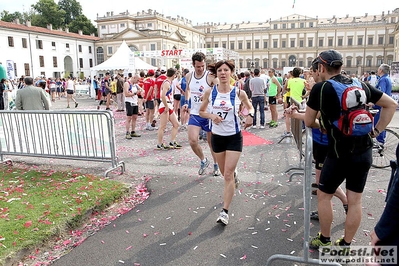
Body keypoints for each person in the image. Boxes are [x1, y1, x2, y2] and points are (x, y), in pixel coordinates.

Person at [304, 49, 397, 250]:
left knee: (324, 195)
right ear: (341, 66)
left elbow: (309, 121)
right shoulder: (359, 84)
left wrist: (326, 123)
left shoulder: (321, 88)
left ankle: (325, 240)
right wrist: (376, 131)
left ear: (321, 67)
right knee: (355, 201)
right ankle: (345, 247)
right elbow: (391, 104)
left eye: (315, 69)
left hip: (338, 154)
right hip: (364, 152)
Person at [199, 60, 254, 225]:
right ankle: (234, 175)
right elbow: (201, 111)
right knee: (225, 173)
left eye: (226, 70)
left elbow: (249, 108)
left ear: (231, 73)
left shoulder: (239, 93)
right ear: (217, 74)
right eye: (220, 70)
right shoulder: (210, 92)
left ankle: (225, 211)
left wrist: (250, 115)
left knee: (227, 175)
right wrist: (212, 116)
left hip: (234, 137)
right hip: (217, 137)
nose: (223, 73)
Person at [182, 52, 220, 176]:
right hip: (195, 113)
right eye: (198, 66)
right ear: (193, 65)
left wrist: (209, 93)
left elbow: (220, 88)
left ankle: (216, 164)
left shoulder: (210, 76)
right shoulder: (189, 76)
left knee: (211, 143)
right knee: (192, 141)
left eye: (203, 66)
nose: (201, 69)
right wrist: (187, 102)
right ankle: (203, 160)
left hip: (209, 114)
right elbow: (188, 89)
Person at [156, 68, 182, 150]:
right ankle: (159, 144)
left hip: (168, 105)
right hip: (165, 105)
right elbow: (163, 95)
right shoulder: (167, 83)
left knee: (176, 124)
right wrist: (166, 106)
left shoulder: (169, 82)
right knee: (163, 126)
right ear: (174, 75)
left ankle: (172, 141)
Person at [374, 63, 393, 144]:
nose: (378, 70)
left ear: (381, 70)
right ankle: (382, 139)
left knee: (378, 122)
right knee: (383, 122)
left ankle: (380, 141)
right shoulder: (387, 78)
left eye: (378, 69)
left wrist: (373, 101)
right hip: (385, 104)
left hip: (380, 105)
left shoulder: (382, 79)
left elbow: (381, 92)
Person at [124, 74, 142, 139]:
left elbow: (141, 89)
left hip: (135, 102)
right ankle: (127, 132)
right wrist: (135, 93)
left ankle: (133, 131)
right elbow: (126, 94)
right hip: (129, 102)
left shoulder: (135, 84)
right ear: (134, 78)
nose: (138, 81)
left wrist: (141, 91)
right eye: (137, 80)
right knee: (129, 118)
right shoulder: (127, 83)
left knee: (135, 117)